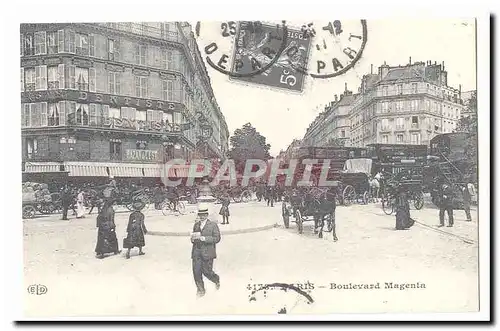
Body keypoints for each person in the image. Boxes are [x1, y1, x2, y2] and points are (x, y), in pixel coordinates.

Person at [191, 203, 221, 297]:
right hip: (196, 252)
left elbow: (217, 238)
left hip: (208, 253)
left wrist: (205, 239)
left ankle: (215, 279)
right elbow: (194, 238)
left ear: (207, 215)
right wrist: (192, 239)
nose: (202, 216)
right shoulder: (196, 225)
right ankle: (201, 290)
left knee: (207, 272)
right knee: (196, 272)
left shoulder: (213, 225)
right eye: (200, 215)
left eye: (204, 215)